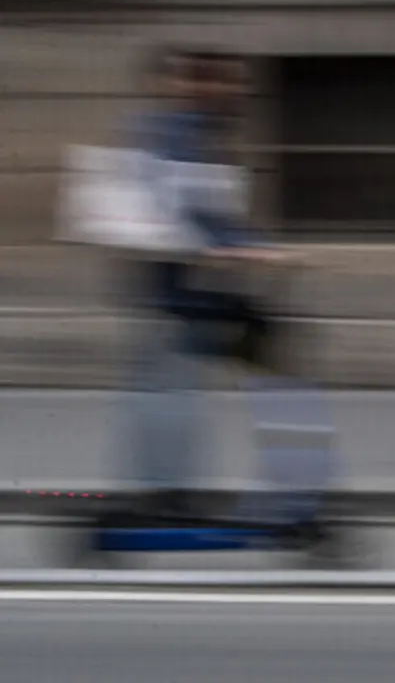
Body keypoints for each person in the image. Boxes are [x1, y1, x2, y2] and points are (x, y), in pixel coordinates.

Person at [124, 47, 289, 516]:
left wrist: (261, 248)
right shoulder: (170, 133)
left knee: (181, 384)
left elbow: (216, 213)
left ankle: (173, 490)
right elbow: (178, 207)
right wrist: (227, 247)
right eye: (227, 81)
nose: (237, 92)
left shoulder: (200, 133)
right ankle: (166, 493)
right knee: (173, 386)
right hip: (175, 292)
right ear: (198, 84)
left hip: (193, 290)